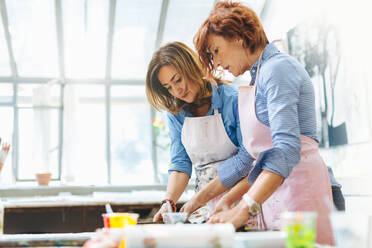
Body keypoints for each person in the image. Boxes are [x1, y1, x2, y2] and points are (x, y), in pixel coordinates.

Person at [192, 1, 334, 245]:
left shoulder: (278, 70)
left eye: (216, 51)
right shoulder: (259, 76)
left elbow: (285, 150)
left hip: (301, 194)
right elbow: (252, 157)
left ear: (236, 36)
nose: (215, 64)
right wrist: (223, 197)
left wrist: (242, 210)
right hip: (278, 196)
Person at [146, 41, 253, 222]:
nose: (177, 90)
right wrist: (169, 201)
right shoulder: (176, 115)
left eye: (178, 80)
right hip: (202, 207)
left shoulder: (233, 100)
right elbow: (181, 164)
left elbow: (249, 160)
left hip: (241, 200)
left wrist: (199, 198)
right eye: (168, 87)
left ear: (193, 67)